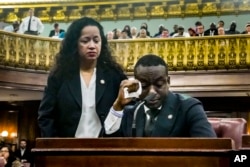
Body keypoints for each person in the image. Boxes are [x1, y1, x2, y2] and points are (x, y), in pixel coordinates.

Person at [37, 17, 128, 137]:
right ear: (74, 43)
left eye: (96, 40)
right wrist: (54, 147)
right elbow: (46, 116)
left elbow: (127, 111)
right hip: (67, 149)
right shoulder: (59, 76)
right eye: (85, 41)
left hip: (106, 147)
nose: (92, 46)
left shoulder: (114, 75)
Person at [105, 54, 217, 137]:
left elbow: (209, 149)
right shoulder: (131, 112)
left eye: (159, 84)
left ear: (168, 82)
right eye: (144, 86)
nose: (152, 92)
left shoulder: (189, 108)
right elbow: (107, 145)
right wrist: (118, 106)